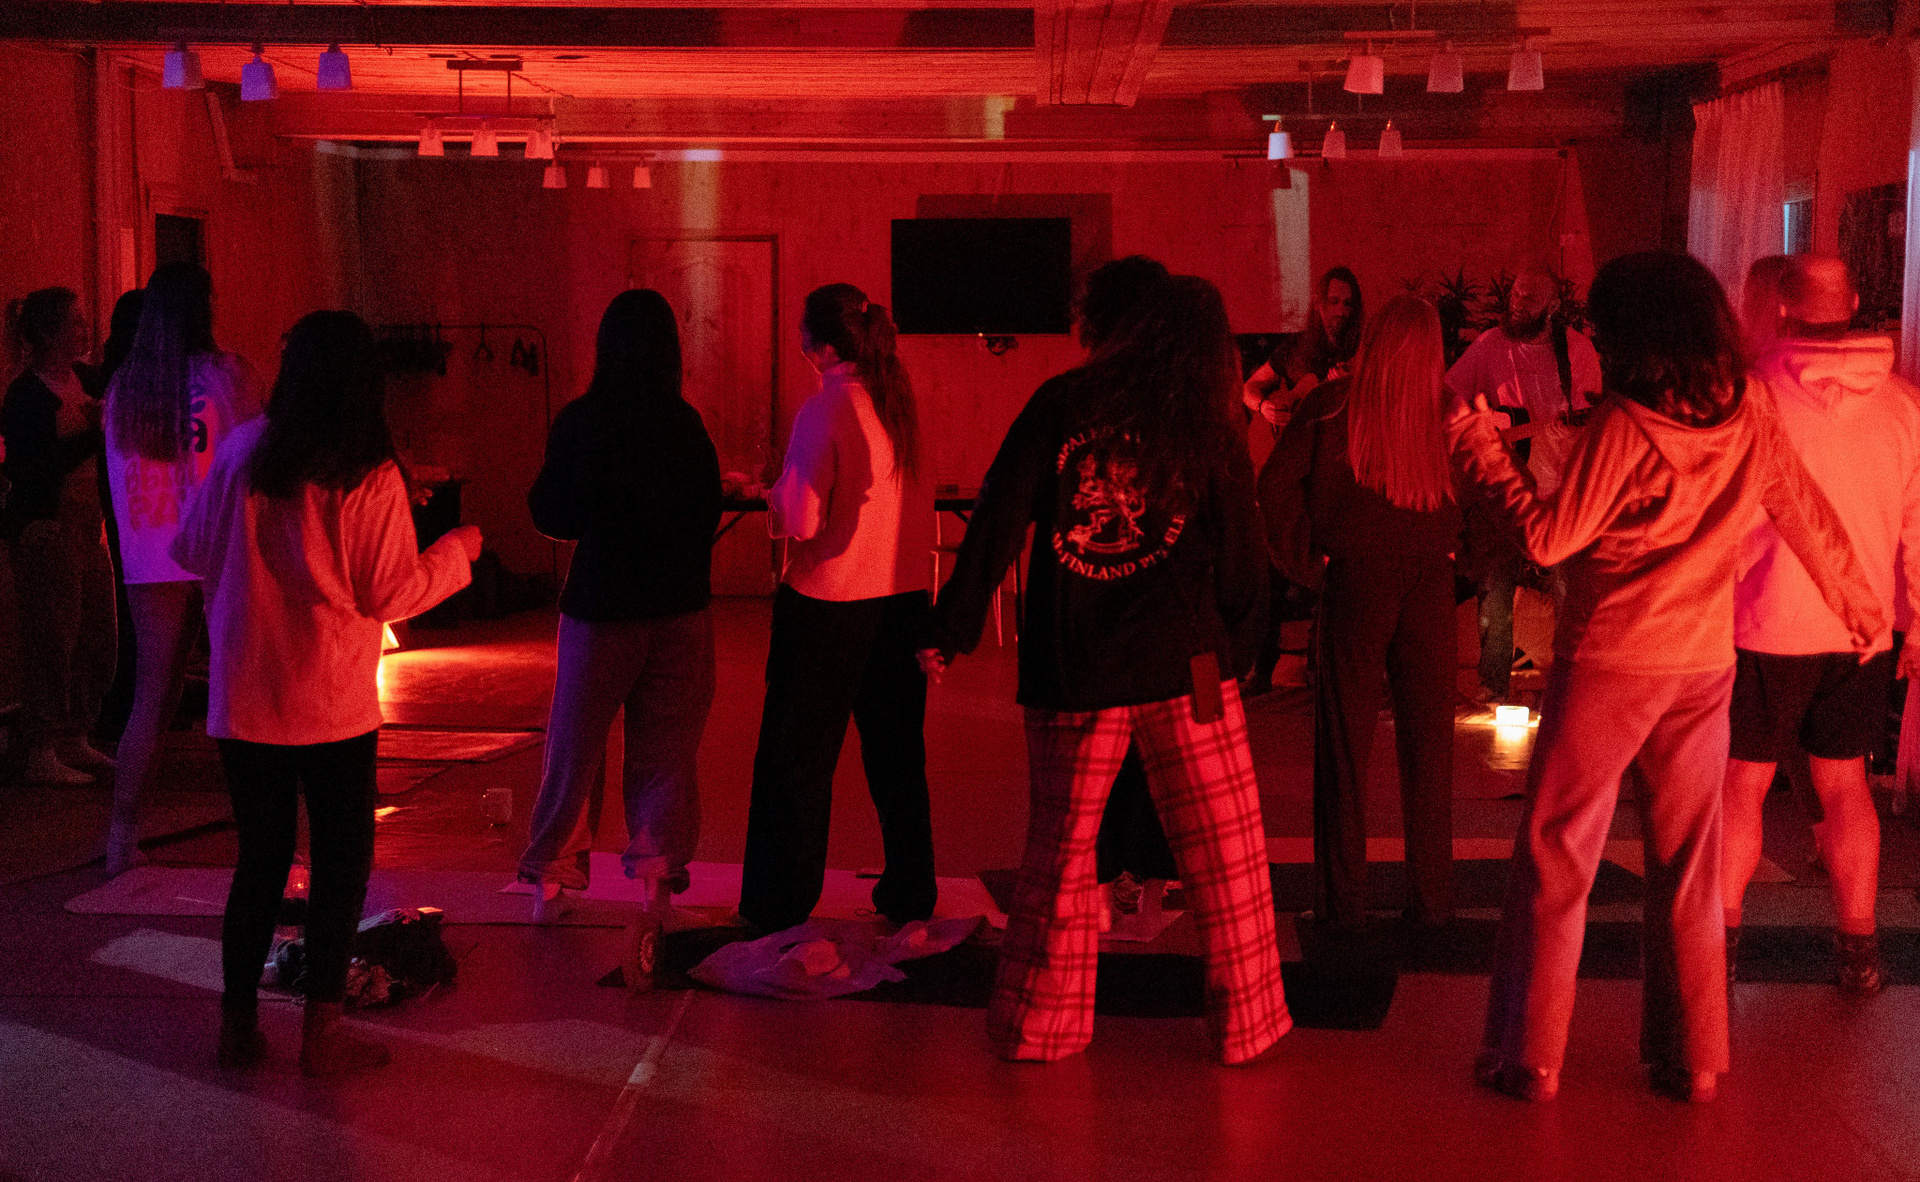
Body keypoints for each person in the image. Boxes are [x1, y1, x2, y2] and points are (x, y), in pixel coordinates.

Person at [1451, 251, 1881, 1104]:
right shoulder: (1749, 407)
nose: (1598, 342)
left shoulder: (1625, 425)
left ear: (1636, 334)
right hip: (1702, 665)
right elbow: (1803, 511)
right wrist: (1861, 610)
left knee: (1558, 856)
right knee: (1690, 866)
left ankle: (1532, 1058)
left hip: (1610, 661)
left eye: (1605, 328)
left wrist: (1484, 451)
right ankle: (1698, 1060)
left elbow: (1549, 539)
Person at [923, 275, 1288, 1064]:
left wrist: (952, 626)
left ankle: (1040, 1027)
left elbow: (1000, 511)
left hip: (1076, 666)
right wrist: (1239, 649)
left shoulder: (1060, 402)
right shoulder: (1206, 418)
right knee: (1227, 857)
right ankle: (1248, 1026)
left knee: (1060, 856)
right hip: (1188, 666)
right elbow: (1241, 551)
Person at [172, 311, 479, 1075]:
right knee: (341, 865)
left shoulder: (244, 451)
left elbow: (189, 548)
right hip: (332, 702)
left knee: (259, 863)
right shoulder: (366, 471)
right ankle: (322, 1034)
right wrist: (456, 552)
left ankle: (236, 1028)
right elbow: (389, 594)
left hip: (246, 694)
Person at [1721, 256, 1920, 997]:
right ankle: (1859, 947)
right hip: (1861, 631)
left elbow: (1725, 517)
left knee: (1741, 785)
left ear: (1781, 308)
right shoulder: (1905, 407)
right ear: (1858, 301)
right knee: (1845, 787)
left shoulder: (1751, 398)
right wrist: (1916, 626)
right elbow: (1919, 529)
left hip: (1762, 621)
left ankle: (1720, 944)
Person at [518, 290, 722, 931]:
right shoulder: (686, 425)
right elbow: (707, 513)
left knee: (575, 747)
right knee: (666, 754)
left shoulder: (583, 421)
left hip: (600, 608)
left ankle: (552, 880)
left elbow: (552, 512)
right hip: (680, 610)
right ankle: (657, 889)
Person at [738, 283, 938, 933]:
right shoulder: (900, 404)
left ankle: (779, 902)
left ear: (820, 346)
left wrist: (772, 493)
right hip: (902, 601)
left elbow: (802, 519)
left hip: (829, 604)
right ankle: (910, 891)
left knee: (796, 760)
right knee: (897, 757)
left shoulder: (824, 409)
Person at [1259, 295, 1459, 935]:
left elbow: (1273, 489)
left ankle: (1342, 908)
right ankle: (1431, 904)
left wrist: (1310, 564)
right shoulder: (1446, 413)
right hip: (1429, 580)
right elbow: (1491, 493)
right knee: (1430, 752)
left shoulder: (1330, 408)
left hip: (1355, 579)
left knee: (1344, 751)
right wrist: (1459, 560)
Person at [102, 263, 263, 875]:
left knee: (153, 693)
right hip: (219, 544)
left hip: (150, 550)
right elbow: (255, 453)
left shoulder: (125, 387)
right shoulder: (227, 374)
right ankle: (262, 834)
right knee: (240, 688)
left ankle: (121, 840)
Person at [1075, 256, 1182, 922]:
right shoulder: (1181, 404)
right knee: (1152, 757)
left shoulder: (1073, 399)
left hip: (1098, 607)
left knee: (1100, 757)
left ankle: (1106, 876)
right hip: (1160, 611)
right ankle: (1146, 879)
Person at [1446, 266, 1603, 705]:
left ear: (1552, 307)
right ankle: (1493, 685)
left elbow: (1592, 417)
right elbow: (1447, 392)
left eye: (1529, 299)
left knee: (1568, 589)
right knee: (1494, 587)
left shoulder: (1577, 351)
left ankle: (1570, 687)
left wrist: (1570, 426)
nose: (1517, 304)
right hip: (1504, 487)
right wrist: (1482, 422)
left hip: (1558, 490)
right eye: (1515, 294)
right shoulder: (1489, 346)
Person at [3, 287, 117, 785]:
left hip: (90, 525)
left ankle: (75, 732)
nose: (84, 328)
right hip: (49, 528)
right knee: (53, 638)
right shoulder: (27, 394)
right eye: (74, 321)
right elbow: (33, 468)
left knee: (99, 634)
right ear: (49, 333)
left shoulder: (87, 379)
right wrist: (93, 433)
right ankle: (41, 745)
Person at [1242, 266, 1362, 430]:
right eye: (1334, 301)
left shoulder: (1361, 349)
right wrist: (1263, 406)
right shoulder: (1295, 345)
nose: (1341, 311)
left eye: (1347, 304)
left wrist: (1350, 388)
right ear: (1318, 303)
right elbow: (1249, 388)